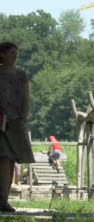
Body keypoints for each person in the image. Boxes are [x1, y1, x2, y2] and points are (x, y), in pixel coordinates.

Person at [0, 42, 35, 213]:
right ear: (2, 55)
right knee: (3, 159)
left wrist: (23, 116)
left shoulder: (21, 75)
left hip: (15, 122)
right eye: (11, 53)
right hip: (0, 122)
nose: (14, 56)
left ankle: (3, 200)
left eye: (16, 53)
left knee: (10, 160)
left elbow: (25, 97)